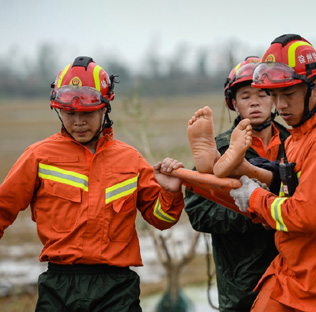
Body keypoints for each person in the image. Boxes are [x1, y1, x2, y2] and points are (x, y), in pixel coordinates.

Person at [0, 56, 185, 312]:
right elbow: (3, 207)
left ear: (104, 108)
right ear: (59, 110)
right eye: (70, 113)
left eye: (87, 113)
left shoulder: (131, 160)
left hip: (116, 288)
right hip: (59, 286)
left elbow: (162, 219)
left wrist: (170, 193)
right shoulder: (38, 156)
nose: (78, 122)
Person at [226, 34, 316, 312]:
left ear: (315, 87)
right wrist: (256, 185)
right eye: (274, 94)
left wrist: (256, 198)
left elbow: (305, 215)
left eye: (288, 94)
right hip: (295, 276)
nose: (280, 105)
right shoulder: (296, 138)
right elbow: (290, 195)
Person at [184, 56, 289, 311]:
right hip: (242, 278)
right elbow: (199, 212)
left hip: (294, 264)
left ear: (275, 99)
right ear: (233, 103)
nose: (254, 101)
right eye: (245, 95)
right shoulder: (216, 149)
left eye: (263, 93)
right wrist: (255, 214)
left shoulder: (295, 143)